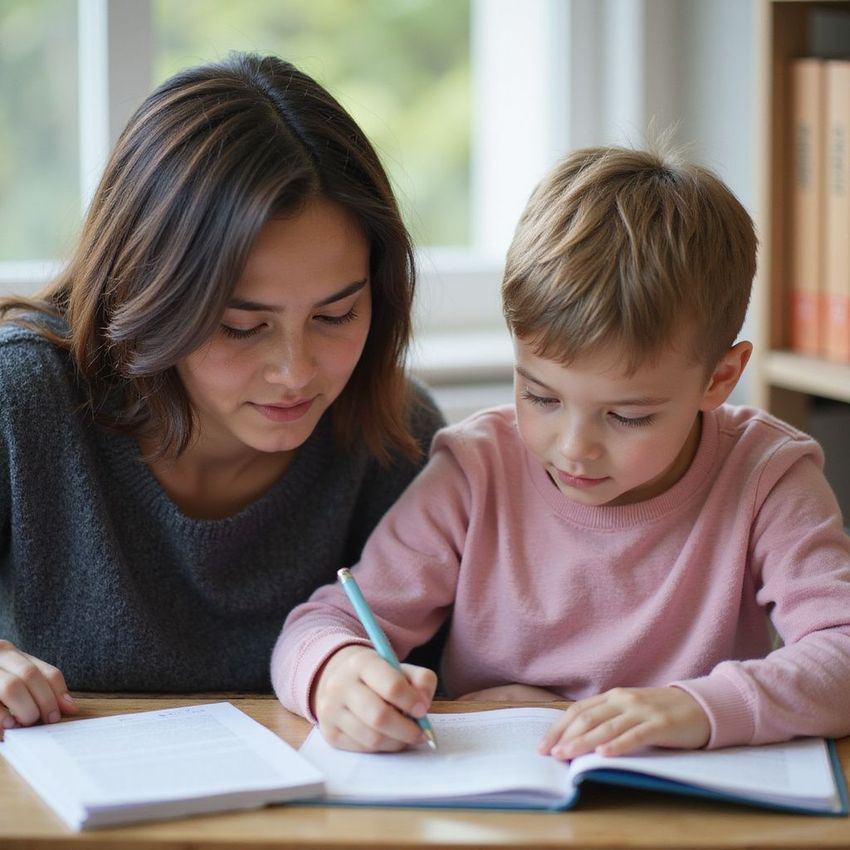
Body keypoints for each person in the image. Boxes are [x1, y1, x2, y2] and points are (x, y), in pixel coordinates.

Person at [274, 145, 850, 759]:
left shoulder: (766, 474)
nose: (574, 448)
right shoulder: (475, 470)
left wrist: (699, 707)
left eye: (628, 415)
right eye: (541, 397)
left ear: (718, 378)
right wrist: (337, 673)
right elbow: (316, 628)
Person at [0, 52, 444, 731]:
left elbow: (452, 683)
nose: (296, 372)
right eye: (241, 326)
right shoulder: (22, 401)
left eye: (336, 316)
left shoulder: (393, 432)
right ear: (147, 292)